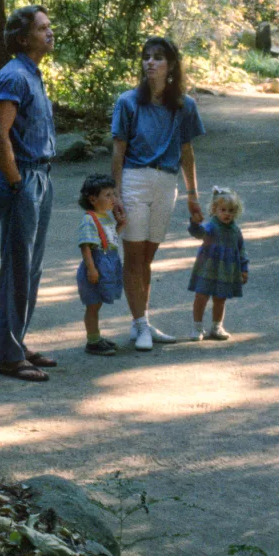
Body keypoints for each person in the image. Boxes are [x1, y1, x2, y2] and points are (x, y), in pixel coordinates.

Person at [111, 36, 204, 351]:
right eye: (146, 57)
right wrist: (116, 195)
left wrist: (193, 195)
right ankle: (141, 325)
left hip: (168, 184)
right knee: (133, 257)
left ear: (172, 65)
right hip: (135, 180)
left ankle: (142, 321)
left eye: (158, 57)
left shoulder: (184, 105)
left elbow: (187, 153)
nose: (150, 62)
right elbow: (118, 151)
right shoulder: (128, 102)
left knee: (147, 258)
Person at [0, 5, 58, 382]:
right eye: (42, 28)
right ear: (23, 37)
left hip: (39, 178)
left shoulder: (32, 74)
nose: (50, 33)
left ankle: (17, 342)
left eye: (49, 27)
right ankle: (9, 357)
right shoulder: (12, 76)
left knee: (31, 267)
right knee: (16, 268)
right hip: (23, 179)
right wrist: (16, 182)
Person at [187, 186, 249, 341]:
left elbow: (241, 251)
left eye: (231, 210)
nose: (227, 214)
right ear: (214, 209)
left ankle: (216, 327)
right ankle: (197, 327)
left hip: (226, 270)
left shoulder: (235, 230)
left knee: (220, 298)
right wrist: (194, 224)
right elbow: (199, 233)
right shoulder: (211, 226)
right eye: (223, 210)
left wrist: (244, 268)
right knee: (201, 296)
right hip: (207, 268)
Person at [76, 174, 124, 356]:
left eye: (114, 194)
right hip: (95, 266)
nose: (114, 199)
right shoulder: (90, 219)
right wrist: (92, 269)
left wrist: (120, 225)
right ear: (93, 199)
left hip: (106, 263)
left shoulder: (105, 217)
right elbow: (86, 246)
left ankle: (96, 337)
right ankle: (93, 342)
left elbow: (109, 240)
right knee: (93, 304)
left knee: (97, 304)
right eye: (108, 195)